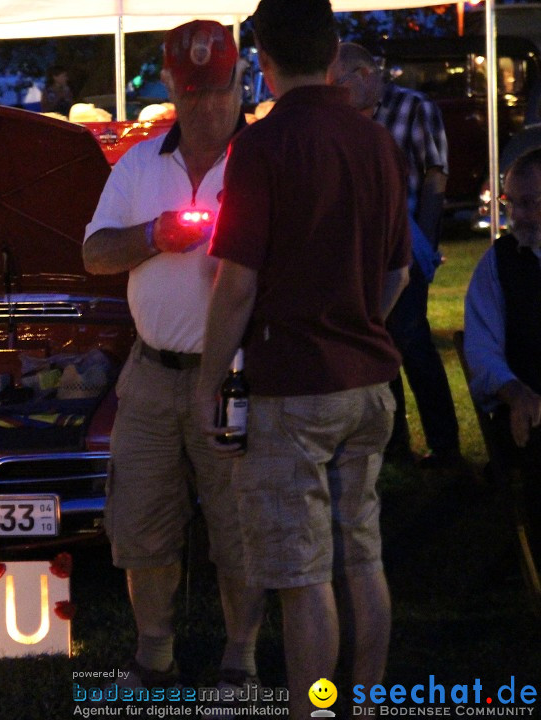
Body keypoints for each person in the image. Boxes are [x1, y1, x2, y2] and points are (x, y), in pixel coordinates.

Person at [193, 1, 410, 716]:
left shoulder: (261, 145)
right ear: (334, 48)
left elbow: (237, 282)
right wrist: (360, 322)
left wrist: (206, 382)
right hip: (370, 380)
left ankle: (314, 708)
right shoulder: (374, 139)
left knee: (303, 574)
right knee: (363, 557)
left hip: (292, 386)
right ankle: (367, 703)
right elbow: (398, 269)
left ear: (262, 56)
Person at [82, 20, 266, 693]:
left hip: (239, 379)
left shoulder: (261, 158)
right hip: (154, 373)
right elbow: (94, 253)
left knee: (237, 524)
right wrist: (155, 235)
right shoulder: (138, 165)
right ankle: (153, 653)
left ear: (241, 82)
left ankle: (239, 658)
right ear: (169, 87)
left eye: (220, 91)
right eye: (193, 93)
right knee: (141, 521)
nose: (209, 107)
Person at [330, 42, 464, 471]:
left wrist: (421, 244)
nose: (335, 89)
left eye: (340, 81)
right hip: (361, 253)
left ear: (366, 74)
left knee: (410, 342)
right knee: (383, 343)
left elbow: (435, 175)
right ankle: (395, 444)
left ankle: (444, 448)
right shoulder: (345, 118)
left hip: (404, 245)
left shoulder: (414, 107)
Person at [465, 148, 541, 521]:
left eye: (530, 203)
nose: (518, 216)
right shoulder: (499, 263)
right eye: (512, 203)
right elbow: (481, 350)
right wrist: (514, 391)